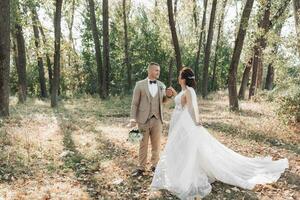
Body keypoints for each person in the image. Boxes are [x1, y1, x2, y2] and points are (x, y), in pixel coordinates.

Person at [151, 67, 288, 199]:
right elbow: (182, 102)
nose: (178, 78)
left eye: (180, 76)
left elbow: (192, 108)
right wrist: (175, 94)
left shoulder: (189, 91)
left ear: (184, 79)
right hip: (179, 123)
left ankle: (186, 174)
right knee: (181, 149)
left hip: (185, 124)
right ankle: (178, 172)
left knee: (187, 149)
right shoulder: (185, 90)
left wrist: (196, 122)